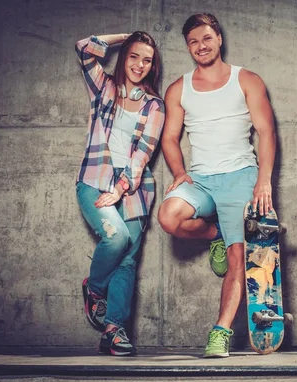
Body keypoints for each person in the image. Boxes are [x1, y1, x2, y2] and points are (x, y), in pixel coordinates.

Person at [157, 13, 276, 358]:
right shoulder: (179, 88)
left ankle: (220, 331)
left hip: (240, 176)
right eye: (193, 42)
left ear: (218, 38)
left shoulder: (247, 80)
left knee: (241, 257)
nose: (200, 46)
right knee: (169, 217)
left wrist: (263, 182)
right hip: (201, 179)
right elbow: (169, 137)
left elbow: (267, 133)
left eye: (206, 38)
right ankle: (217, 235)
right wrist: (179, 172)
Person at [74, 32, 165, 356]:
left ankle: (114, 331)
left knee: (127, 260)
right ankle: (95, 289)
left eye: (147, 59)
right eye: (134, 55)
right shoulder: (104, 87)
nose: (140, 64)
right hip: (94, 179)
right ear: (124, 55)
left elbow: (143, 153)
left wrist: (121, 188)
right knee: (116, 238)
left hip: (134, 188)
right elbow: (84, 47)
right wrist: (126, 36)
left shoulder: (154, 105)